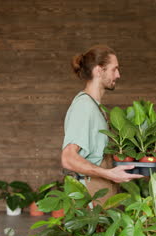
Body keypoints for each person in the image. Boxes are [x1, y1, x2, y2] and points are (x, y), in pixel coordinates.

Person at [61, 45, 143, 201]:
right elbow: (68, 158)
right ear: (99, 71)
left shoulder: (95, 107)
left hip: (101, 191)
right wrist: (108, 173)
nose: (118, 75)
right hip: (89, 193)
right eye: (114, 69)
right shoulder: (84, 107)